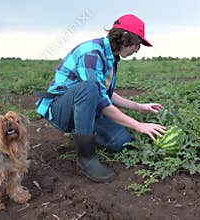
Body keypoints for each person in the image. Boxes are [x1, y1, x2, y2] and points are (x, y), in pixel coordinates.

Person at [35, 14, 166, 182]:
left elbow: (105, 94)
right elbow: (99, 100)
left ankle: (80, 132)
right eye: (137, 44)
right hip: (60, 109)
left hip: (83, 106)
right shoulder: (92, 52)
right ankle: (86, 158)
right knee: (88, 88)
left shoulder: (111, 57)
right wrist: (138, 125)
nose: (137, 50)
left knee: (121, 141)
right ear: (125, 37)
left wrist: (139, 106)